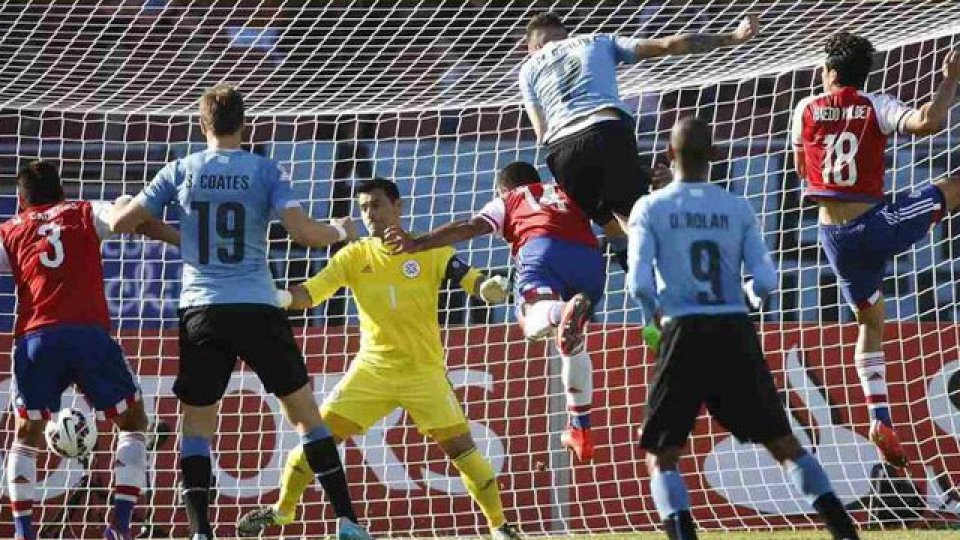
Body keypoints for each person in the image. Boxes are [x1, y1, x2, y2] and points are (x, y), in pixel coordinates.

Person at [109, 85, 370, 540]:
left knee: (197, 427)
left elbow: (121, 223)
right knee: (307, 417)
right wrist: (340, 230)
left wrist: (127, 211)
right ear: (245, 125)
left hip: (202, 310)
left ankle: (201, 532)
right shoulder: (265, 170)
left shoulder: (180, 169)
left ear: (201, 124)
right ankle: (347, 522)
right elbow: (304, 234)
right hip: (257, 306)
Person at [235, 178, 522, 540]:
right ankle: (282, 511)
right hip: (372, 372)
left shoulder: (430, 248)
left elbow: (468, 278)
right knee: (316, 441)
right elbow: (312, 293)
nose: (369, 214)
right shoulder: (354, 255)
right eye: (364, 208)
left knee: (465, 453)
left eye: (376, 205)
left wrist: (486, 288)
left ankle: (499, 527)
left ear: (397, 207)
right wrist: (279, 297)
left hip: (424, 374)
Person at [627, 117, 859, 540]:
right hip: (734, 328)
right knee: (784, 444)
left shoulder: (650, 207)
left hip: (682, 329)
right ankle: (844, 533)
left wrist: (651, 319)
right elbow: (767, 280)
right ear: (715, 156)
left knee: (663, 455)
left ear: (668, 154)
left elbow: (639, 283)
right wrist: (744, 300)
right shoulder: (737, 208)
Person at [792, 32, 960, 467]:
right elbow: (928, 123)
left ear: (831, 72)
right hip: (874, 225)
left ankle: (879, 417)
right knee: (954, 188)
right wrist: (950, 79)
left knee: (870, 321)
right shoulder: (876, 105)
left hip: (832, 237)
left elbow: (801, 169)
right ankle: (880, 418)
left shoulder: (804, 108)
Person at [1, 161, 178, 540]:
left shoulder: (10, 230)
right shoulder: (84, 211)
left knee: (26, 434)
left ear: (21, 200)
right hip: (87, 335)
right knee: (133, 423)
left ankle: (22, 532)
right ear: (62, 191)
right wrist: (133, 205)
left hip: (36, 338)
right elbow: (121, 218)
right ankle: (120, 525)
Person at [385, 161, 603, 462]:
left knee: (532, 319)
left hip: (542, 251)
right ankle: (580, 428)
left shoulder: (510, 198)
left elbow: (472, 226)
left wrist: (418, 241)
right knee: (571, 342)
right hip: (591, 262)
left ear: (501, 189)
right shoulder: (566, 191)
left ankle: (559, 311)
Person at [519, 11, 758, 268]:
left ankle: (643, 281)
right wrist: (732, 38)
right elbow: (667, 44)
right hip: (605, 130)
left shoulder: (528, 69)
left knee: (611, 223)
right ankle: (688, 271)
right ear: (565, 36)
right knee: (638, 220)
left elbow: (541, 132)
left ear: (533, 47)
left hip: (563, 152)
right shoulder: (597, 40)